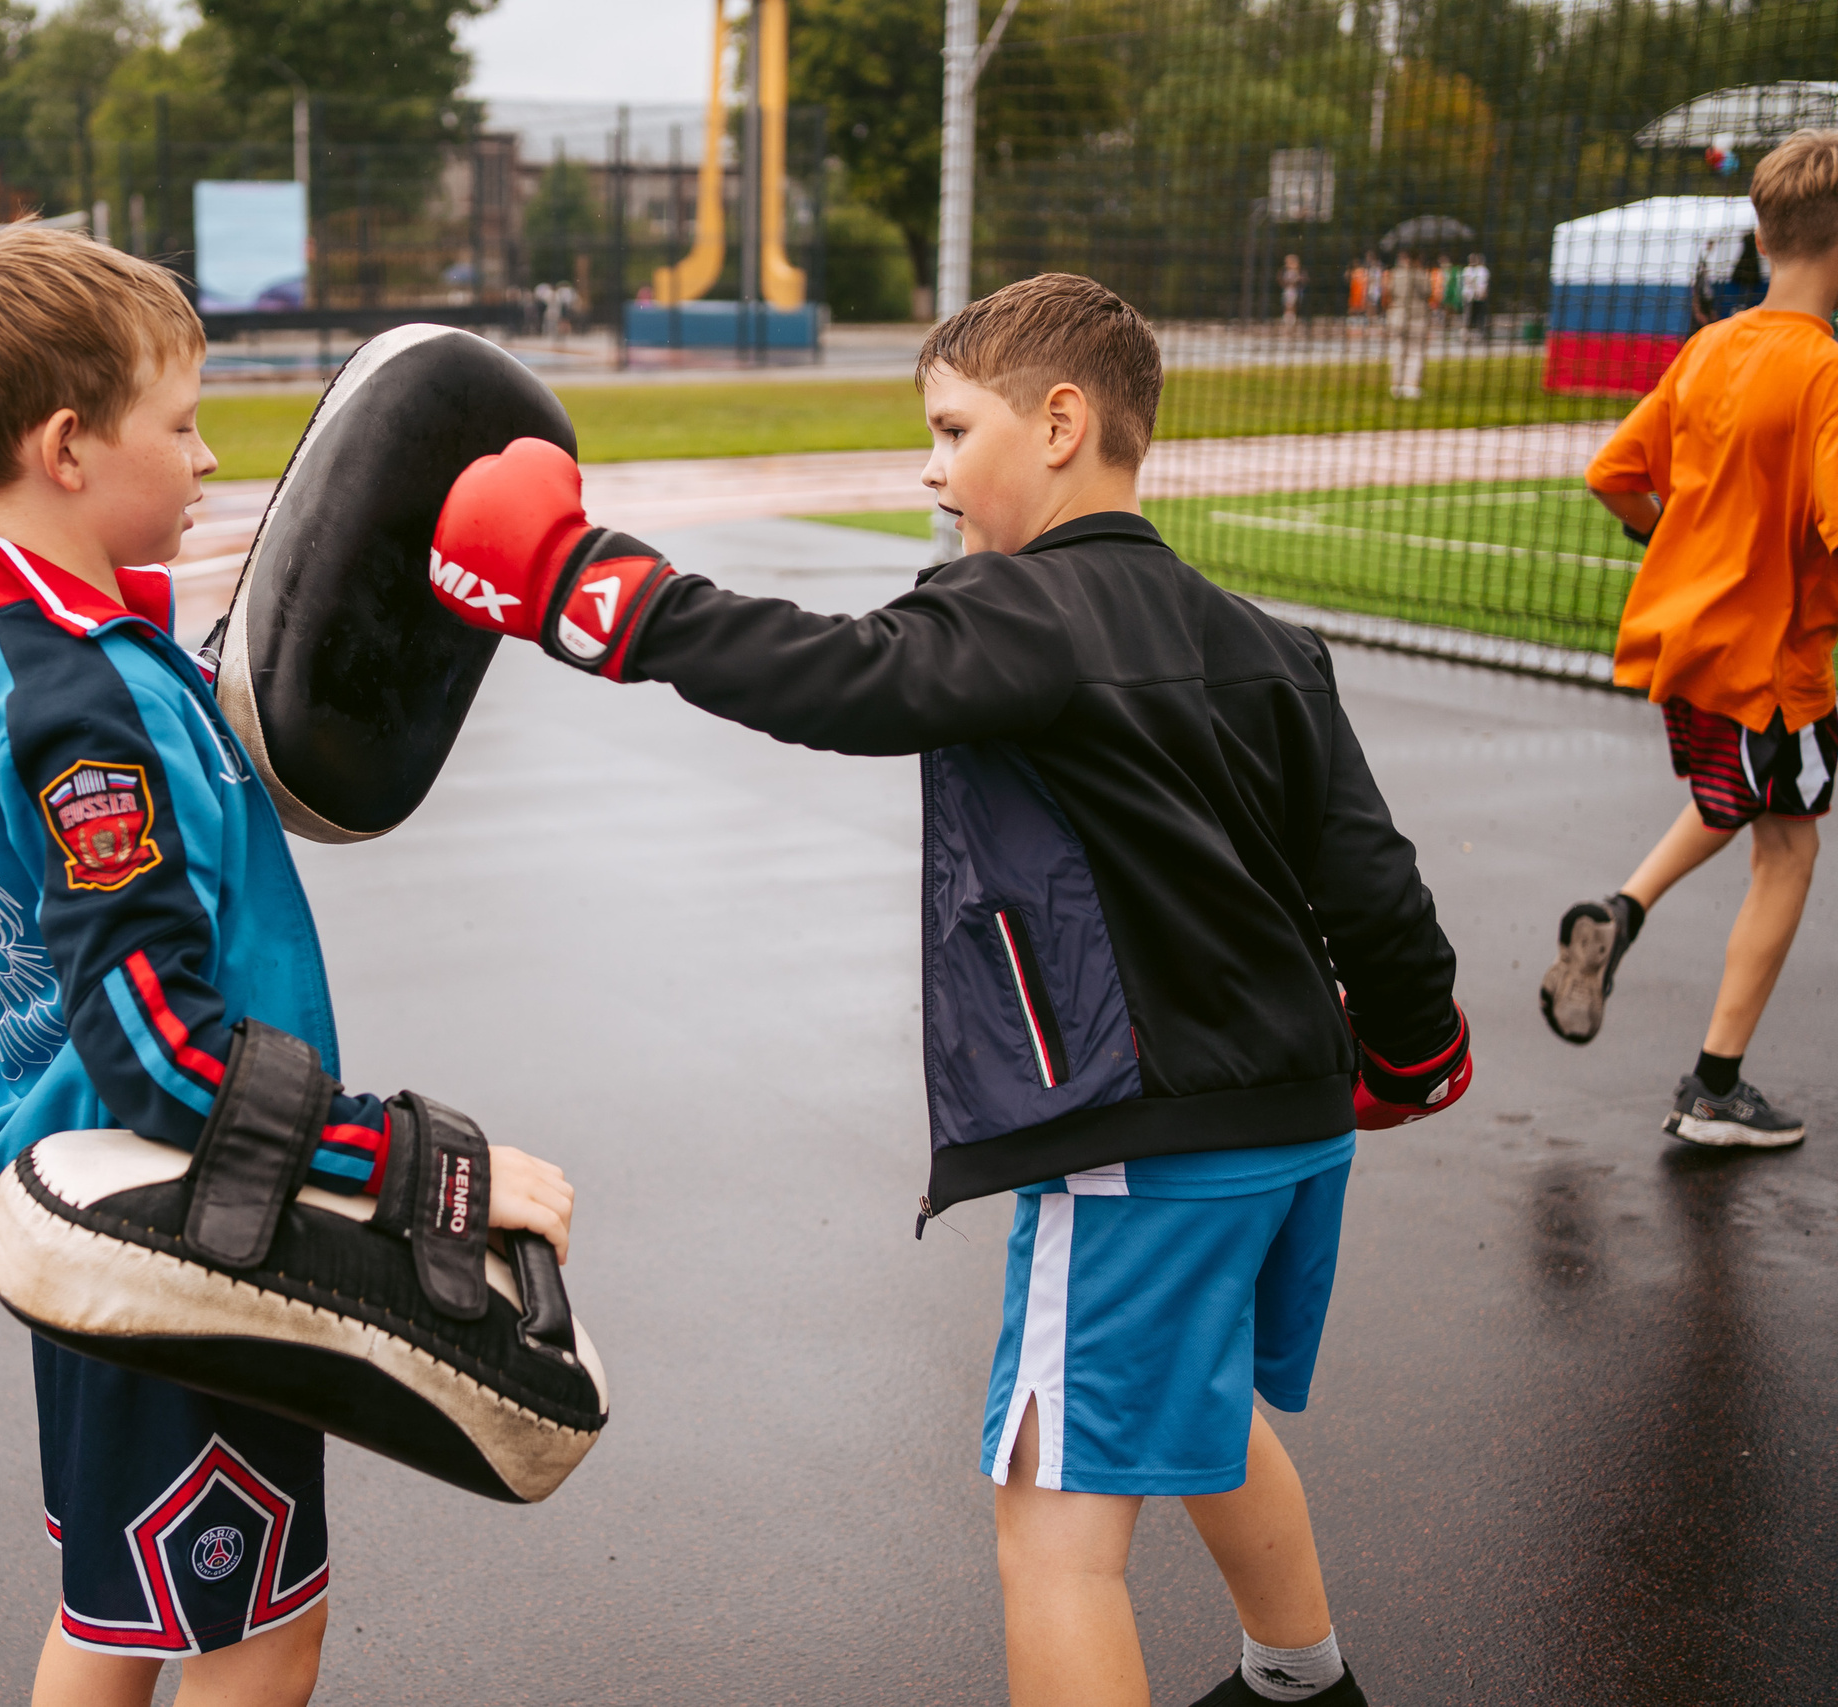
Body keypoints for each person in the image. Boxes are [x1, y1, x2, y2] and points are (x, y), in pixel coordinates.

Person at [422, 272, 1469, 1707]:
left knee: (1052, 1528)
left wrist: (603, 591)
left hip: (1137, 1143)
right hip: (1290, 1122)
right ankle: (1303, 1676)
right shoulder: (1265, 640)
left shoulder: (1024, 613)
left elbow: (844, 677)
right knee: (1200, 1393)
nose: (929, 463)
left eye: (949, 425)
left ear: (1059, 422)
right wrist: (1414, 1053)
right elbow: (1373, 882)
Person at [0, 226, 578, 1707]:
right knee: (258, 1634)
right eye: (185, 419)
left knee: (121, 1614)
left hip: (114, 1211)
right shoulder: (88, 718)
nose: (211, 459)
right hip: (185, 1223)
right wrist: (412, 1166)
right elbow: (162, 1046)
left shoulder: (40, 650)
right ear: (69, 445)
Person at [1544, 129, 1838, 1149]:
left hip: (1688, 650)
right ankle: (1714, 1087)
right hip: (1772, 666)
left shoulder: (1709, 347)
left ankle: (1615, 914)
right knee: (1788, 848)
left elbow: (1612, 476)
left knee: (1741, 797)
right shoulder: (1823, 373)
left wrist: (1684, 540)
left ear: (1760, 236)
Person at [1385, 249, 1426, 399]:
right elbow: (1427, 291)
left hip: (1398, 315)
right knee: (1415, 352)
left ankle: (1397, 385)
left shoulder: (1395, 274)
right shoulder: (1420, 274)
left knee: (1398, 349)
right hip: (1416, 317)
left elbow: (1390, 291)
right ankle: (1410, 386)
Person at [1461, 252, 1490, 338]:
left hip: (1479, 297)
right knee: (1468, 314)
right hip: (1469, 296)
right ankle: (1466, 333)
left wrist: (1482, 292)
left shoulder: (1482, 270)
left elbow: (1485, 283)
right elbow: (1468, 281)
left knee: (1480, 315)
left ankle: (1481, 332)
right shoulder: (1467, 270)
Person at [1279, 254, 1307, 329]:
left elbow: (1303, 280)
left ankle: (1292, 320)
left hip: (1296, 290)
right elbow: (1281, 280)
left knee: (1294, 305)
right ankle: (1288, 321)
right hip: (1288, 290)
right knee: (1288, 305)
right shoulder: (1284, 270)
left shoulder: (1299, 270)